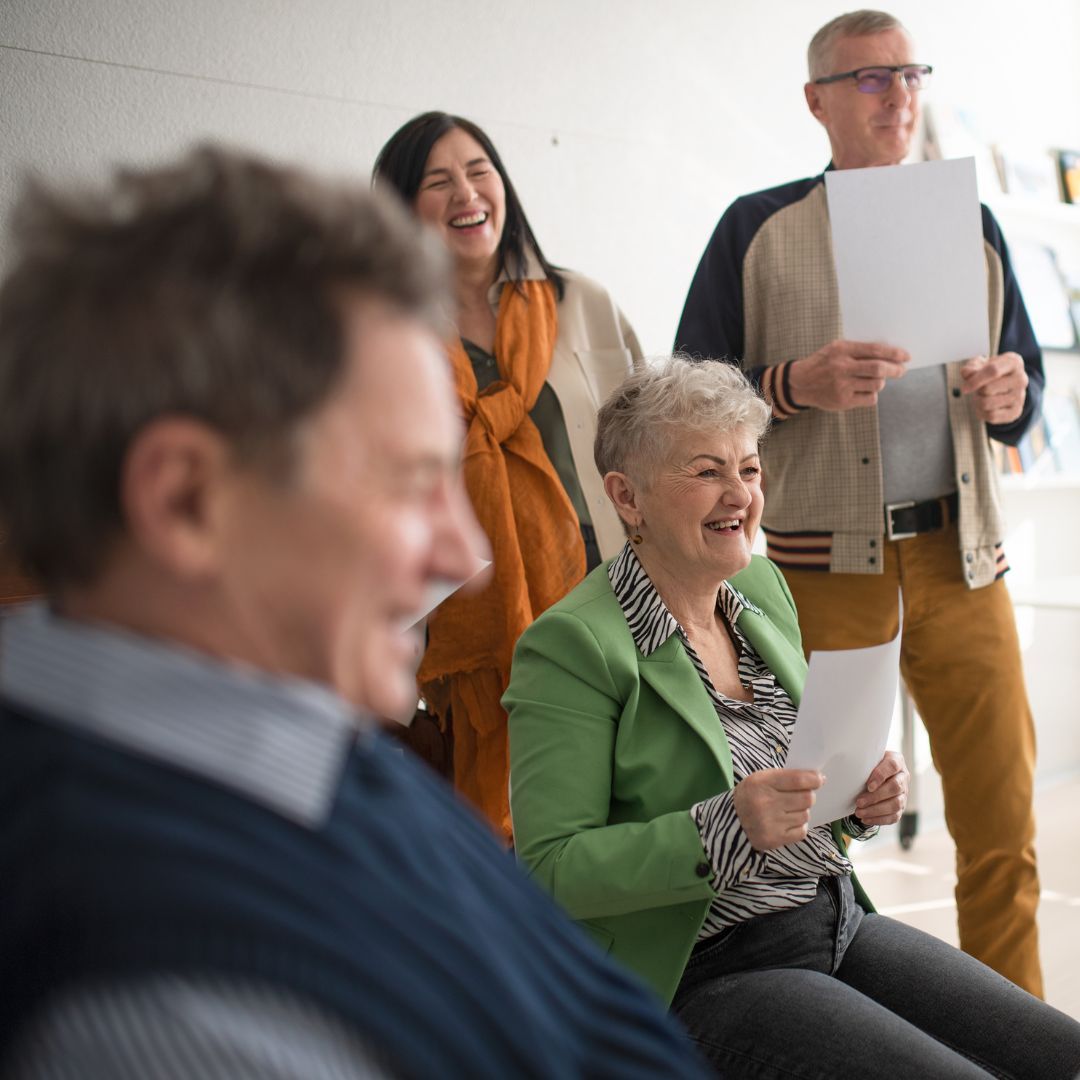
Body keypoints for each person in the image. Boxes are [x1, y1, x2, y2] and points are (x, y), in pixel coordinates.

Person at [0, 147, 709, 1079]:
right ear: (184, 503)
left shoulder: (297, 741)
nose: (465, 557)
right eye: (413, 481)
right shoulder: (165, 993)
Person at [503, 357, 1080, 1079]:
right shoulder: (572, 645)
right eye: (707, 471)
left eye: (749, 468)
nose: (739, 495)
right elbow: (551, 871)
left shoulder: (758, 584)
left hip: (833, 919)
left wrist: (856, 802)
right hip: (705, 972)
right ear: (628, 497)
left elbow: (796, 787)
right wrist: (722, 828)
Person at [674, 9, 1045, 996]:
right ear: (817, 102)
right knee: (811, 825)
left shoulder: (974, 223)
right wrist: (793, 384)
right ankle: (840, 1029)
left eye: (910, 74)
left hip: (964, 563)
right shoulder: (757, 229)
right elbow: (684, 403)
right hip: (813, 572)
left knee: (1004, 829)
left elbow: (1025, 392)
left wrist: (1012, 399)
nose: (898, 94)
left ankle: (1023, 1043)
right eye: (871, 79)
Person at [373, 112, 642, 840]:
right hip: (471, 648)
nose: (466, 192)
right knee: (515, 848)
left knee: (632, 822)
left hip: (611, 611)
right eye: (438, 181)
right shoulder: (378, 339)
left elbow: (651, 444)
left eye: (479, 170)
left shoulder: (578, 303)